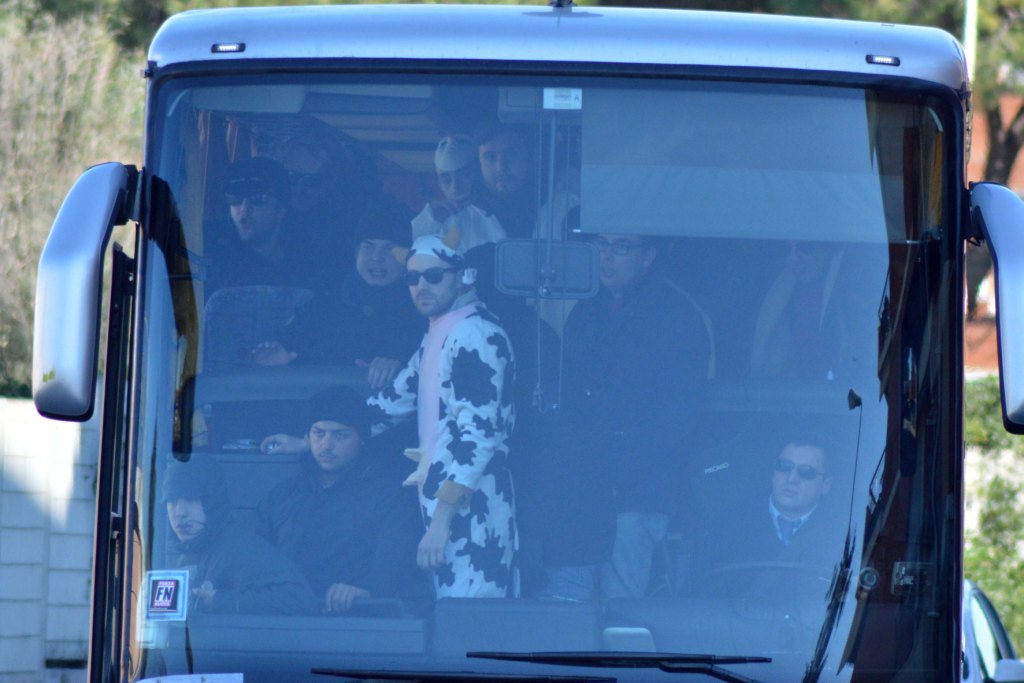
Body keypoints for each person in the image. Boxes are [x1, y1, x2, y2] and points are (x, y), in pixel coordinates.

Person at [538, 233, 709, 601]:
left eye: (620, 248)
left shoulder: (678, 316)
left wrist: (617, 473)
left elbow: (676, 413)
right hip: (582, 484)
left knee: (621, 604)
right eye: (601, 245)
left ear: (648, 256)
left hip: (641, 489)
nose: (605, 257)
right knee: (569, 599)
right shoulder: (586, 309)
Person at [367, 234, 517, 599]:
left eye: (433, 276)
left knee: (469, 616)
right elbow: (395, 400)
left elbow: (479, 436)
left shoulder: (474, 334)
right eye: (412, 278)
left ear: (463, 277)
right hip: (445, 506)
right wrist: (310, 437)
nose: (421, 286)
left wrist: (441, 521)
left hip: (472, 509)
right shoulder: (441, 331)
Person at [256, 387, 427, 612]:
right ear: (307, 437)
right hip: (285, 619)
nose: (326, 445)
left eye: (340, 435)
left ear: (362, 439)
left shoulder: (391, 498)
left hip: (360, 620)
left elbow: (395, 562)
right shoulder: (280, 497)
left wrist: (367, 590)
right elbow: (257, 562)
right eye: (319, 433)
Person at [252, 200, 424, 390]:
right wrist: (282, 356)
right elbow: (298, 347)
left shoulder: (421, 306)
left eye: (389, 248)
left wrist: (400, 366)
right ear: (356, 253)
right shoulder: (326, 298)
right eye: (368, 246)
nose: (377, 257)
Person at [162, 457, 318, 616]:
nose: (179, 512)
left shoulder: (239, 549)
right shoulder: (170, 554)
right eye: (172, 501)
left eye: (191, 499)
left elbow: (301, 600)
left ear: (212, 502)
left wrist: (221, 601)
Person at [208, 156, 313, 292]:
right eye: (235, 198)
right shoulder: (213, 267)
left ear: (281, 209)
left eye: (258, 198)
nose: (244, 209)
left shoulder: (308, 268)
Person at [412, 134, 506, 252]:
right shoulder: (431, 220)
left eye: (464, 176)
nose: (455, 188)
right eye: (446, 180)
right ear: (438, 182)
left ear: (478, 174)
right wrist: (431, 221)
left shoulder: (498, 214)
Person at [475, 125, 536, 239]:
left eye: (511, 154)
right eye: (490, 157)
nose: (501, 167)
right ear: (479, 164)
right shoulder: (459, 225)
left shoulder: (556, 212)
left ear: (529, 158)